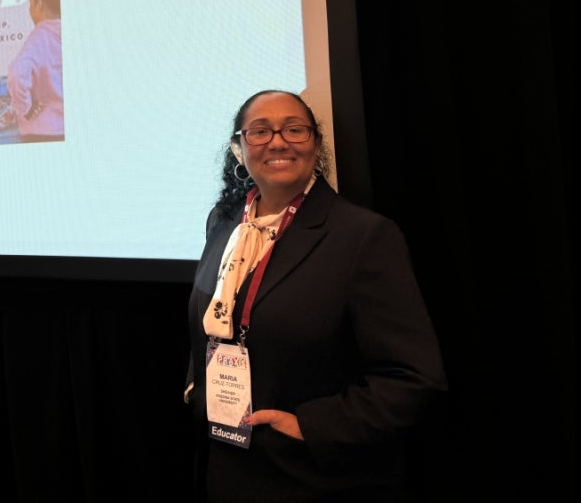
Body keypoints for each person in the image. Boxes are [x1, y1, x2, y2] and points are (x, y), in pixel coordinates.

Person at [185, 89, 446, 502]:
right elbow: (213, 321)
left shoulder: (363, 236)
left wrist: (309, 426)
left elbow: (413, 378)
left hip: (313, 478)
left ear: (317, 144)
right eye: (260, 131)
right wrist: (197, 389)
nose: (277, 141)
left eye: (295, 129)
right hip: (228, 467)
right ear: (239, 149)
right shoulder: (224, 225)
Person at [7, 0, 63, 141]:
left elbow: (16, 74)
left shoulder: (39, 38)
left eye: (30, 3)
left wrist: (25, 109)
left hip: (41, 132)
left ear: (39, 4)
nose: (30, 10)